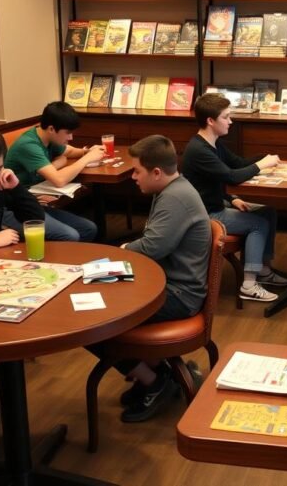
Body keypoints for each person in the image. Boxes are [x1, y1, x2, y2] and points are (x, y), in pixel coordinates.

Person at [89, 135, 211, 422]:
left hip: (179, 294)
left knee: (91, 319)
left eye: (137, 171)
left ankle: (152, 379)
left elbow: (151, 248)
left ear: (157, 172)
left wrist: (120, 252)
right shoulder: (170, 190)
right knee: (92, 285)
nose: (132, 176)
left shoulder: (175, 198)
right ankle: (159, 373)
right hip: (164, 281)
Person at [181, 93, 287, 302]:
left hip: (215, 204)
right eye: (226, 117)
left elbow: (237, 163)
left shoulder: (214, 143)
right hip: (205, 215)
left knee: (268, 212)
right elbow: (232, 176)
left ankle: (263, 271)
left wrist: (266, 158)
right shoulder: (199, 150)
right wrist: (262, 165)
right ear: (211, 121)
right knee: (258, 223)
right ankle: (249, 285)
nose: (230, 121)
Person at [4, 101, 105, 242]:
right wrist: (87, 158)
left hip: (33, 200)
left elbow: (69, 151)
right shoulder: (28, 144)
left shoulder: (48, 138)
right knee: (70, 235)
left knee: (89, 228)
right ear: (51, 129)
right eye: (68, 133)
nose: (71, 138)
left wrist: (87, 151)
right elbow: (59, 180)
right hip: (13, 207)